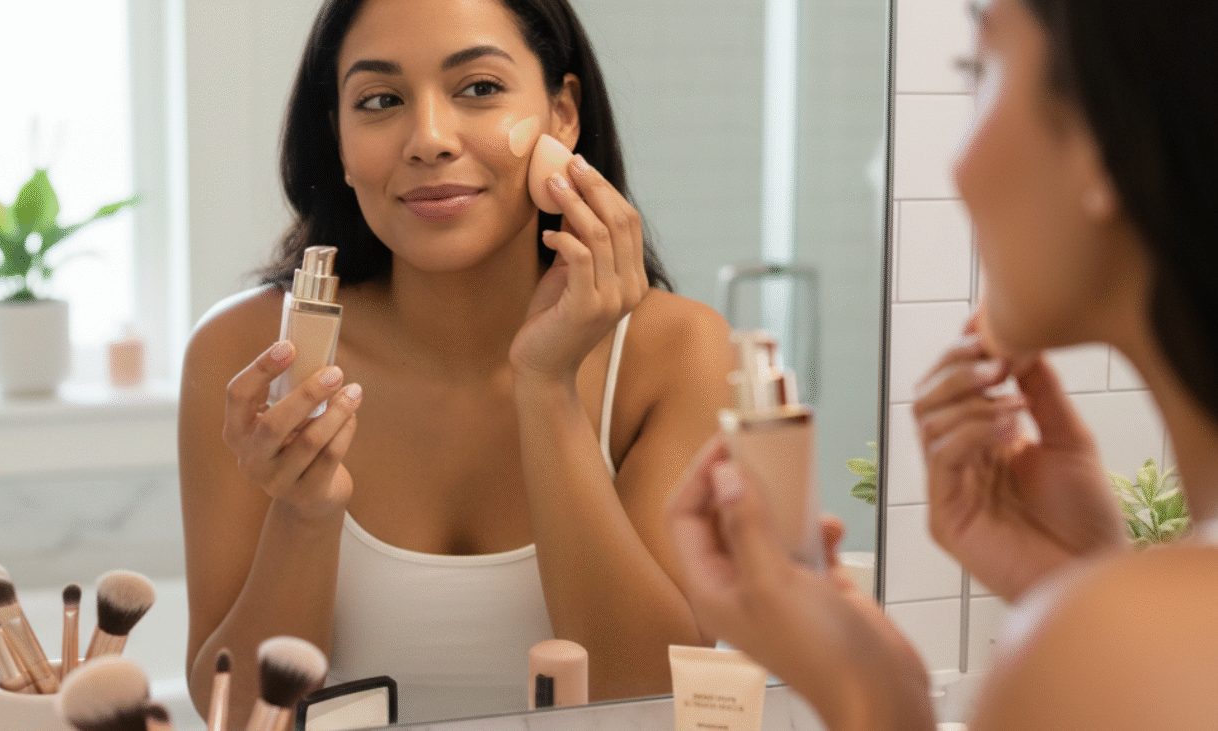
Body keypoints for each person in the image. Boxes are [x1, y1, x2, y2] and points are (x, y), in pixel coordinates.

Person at [667, 0, 1218, 728]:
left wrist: (868, 694)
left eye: (978, 68)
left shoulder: (1118, 651)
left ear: (1100, 136)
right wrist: (1079, 581)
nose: (955, 165)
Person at [179, 0, 732, 725]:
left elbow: (649, 697)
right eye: (379, 101)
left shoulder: (675, 353)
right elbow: (237, 713)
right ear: (339, 141)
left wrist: (546, 386)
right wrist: (303, 511)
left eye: (478, 89)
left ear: (562, 115)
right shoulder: (250, 351)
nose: (429, 139)